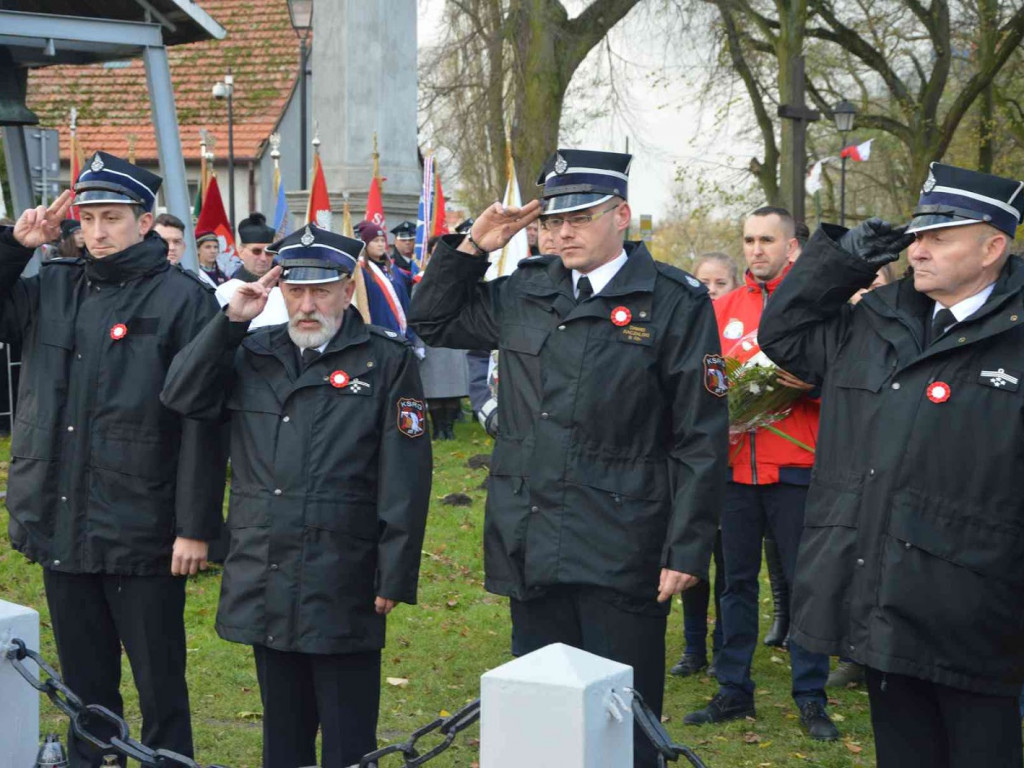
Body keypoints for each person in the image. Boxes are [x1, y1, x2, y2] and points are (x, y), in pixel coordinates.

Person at [410, 149, 728, 768]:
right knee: (541, 713)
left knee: (623, 719)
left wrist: (687, 547)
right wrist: (473, 247)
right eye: (551, 222)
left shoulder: (672, 300)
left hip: (623, 539)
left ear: (622, 216)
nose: (560, 233)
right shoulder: (529, 289)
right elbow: (434, 318)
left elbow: (699, 434)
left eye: (578, 218)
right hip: (532, 532)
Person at [760, 162, 1024, 768]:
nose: (918, 248)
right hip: (882, 597)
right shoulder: (877, 318)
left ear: (992, 247)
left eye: (940, 236)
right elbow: (787, 333)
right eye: (917, 233)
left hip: (977, 611)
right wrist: (842, 261)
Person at [161, 222, 431, 768]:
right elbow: (181, 394)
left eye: (322, 289)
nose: (307, 305)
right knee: (281, 734)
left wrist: (394, 569)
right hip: (267, 563)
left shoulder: (384, 359)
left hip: (344, 570)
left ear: (347, 285)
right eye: (295, 290)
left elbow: (407, 474)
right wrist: (228, 323)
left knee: (348, 735)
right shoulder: (252, 350)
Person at [1, 152, 225, 767]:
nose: (98, 232)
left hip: (142, 522)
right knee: (83, 679)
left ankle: (167, 760)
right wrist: (16, 248)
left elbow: (204, 421)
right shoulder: (53, 286)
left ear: (145, 222)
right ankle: (91, 759)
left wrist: (195, 526)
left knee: (159, 680)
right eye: (89, 218)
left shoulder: (183, 300)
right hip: (60, 513)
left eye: (114, 218)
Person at [684, 206, 838, 741]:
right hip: (734, 471)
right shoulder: (723, 306)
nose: (756, 250)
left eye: (767, 240)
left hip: (797, 466)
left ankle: (811, 696)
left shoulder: (818, 307)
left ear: (792, 246)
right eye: (749, 240)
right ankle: (733, 690)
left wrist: (797, 384)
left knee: (804, 585)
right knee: (735, 584)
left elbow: (835, 378)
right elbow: (705, 382)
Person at [669, 251, 738, 678]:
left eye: (720, 283)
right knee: (690, 561)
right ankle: (693, 648)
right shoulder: (682, 327)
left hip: (734, 470)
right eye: (704, 282)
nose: (710, 290)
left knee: (730, 565)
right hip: (687, 467)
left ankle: (725, 646)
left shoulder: (742, 331)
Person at [417, 236, 470, 440]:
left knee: (453, 386)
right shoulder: (421, 277)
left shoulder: (459, 273)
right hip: (430, 337)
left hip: (454, 334)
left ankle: (449, 428)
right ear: (430, 253)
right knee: (434, 386)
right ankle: (438, 428)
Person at [356, 220, 414, 340]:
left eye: (383, 240)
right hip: (378, 333)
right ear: (365, 244)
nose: (381, 244)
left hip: (400, 333)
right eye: (375, 241)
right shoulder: (361, 271)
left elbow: (405, 302)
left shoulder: (393, 269)